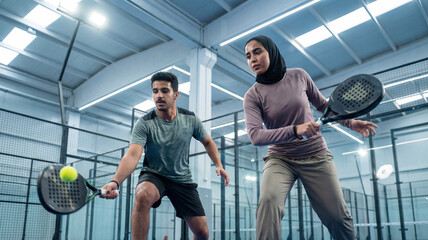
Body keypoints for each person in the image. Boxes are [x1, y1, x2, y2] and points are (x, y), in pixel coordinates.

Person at [243, 35, 377, 239]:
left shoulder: (299, 76)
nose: (252, 59)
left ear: (271, 51)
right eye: (248, 55)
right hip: (280, 159)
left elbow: (324, 105)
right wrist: (296, 130)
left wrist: (350, 122)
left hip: (316, 155)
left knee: (337, 217)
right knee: (268, 202)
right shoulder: (252, 96)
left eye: (258, 51)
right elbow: (255, 136)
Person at [101, 71, 230, 240]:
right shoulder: (144, 123)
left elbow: (208, 142)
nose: (159, 96)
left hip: (182, 178)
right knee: (142, 195)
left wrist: (219, 165)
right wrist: (115, 181)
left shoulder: (190, 119)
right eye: (155, 91)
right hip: (155, 174)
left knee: (202, 233)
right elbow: (133, 155)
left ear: (175, 95)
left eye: (164, 91)